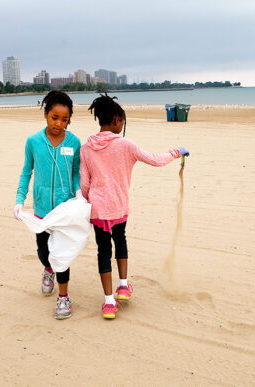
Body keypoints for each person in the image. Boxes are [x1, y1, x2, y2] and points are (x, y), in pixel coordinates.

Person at [80, 94, 189, 319]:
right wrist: (177, 151)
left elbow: (84, 183)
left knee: (103, 251)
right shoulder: (125, 145)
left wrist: (84, 205)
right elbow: (155, 159)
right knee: (120, 242)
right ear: (117, 120)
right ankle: (123, 286)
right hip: (119, 208)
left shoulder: (86, 148)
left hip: (98, 210)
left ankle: (109, 302)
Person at [13, 90, 81, 320]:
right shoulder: (33, 141)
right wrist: (19, 200)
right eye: (55, 117)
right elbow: (26, 172)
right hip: (42, 209)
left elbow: (75, 173)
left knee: (61, 255)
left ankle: (63, 297)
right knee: (45, 254)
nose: (59, 124)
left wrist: (79, 191)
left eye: (65, 119)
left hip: (65, 210)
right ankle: (48, 269)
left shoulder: (74, 142)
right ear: (45, 114)